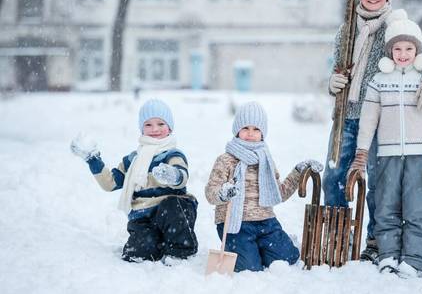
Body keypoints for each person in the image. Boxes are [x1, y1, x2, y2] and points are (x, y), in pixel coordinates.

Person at [323, 0, 422, 263]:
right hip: (347, 118)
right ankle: (339, 237)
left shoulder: (396, 25)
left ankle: (377, 241)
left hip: (381, 119)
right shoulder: (346, 30)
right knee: (334, 177)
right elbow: (339, 67)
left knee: (378, 184)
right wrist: (334, 82)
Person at [348, 16, 422, 278]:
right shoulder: (379, 81)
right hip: (387, 156)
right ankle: (388, 255)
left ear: (418, 51)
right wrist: (361, 154)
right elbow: (368, 121)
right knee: (386, 206)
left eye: (409, 49)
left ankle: (414, 260)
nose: (403, 54)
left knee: (417, 209)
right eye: (397, 48)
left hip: (420, 156)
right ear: (390, 50)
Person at [70, 99, 198, 263]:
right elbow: (110, 183)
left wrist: (173, 175)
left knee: (172, 206)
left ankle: (181, 251)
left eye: (160, 124)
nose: (155, 129)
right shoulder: (133, 160)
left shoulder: (172, 154)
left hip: (171, 213)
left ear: (170, 127)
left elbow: (182, 175)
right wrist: (92, 160)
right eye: (148, 125)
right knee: (137, 253)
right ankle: (156, 242)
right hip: (143, 216)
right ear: (141, 128)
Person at [205, 101, 324, 272]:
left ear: (263, 133)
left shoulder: (266, 160)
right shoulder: (226, 160)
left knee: (288, 258)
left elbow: (279, 193)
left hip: (265, 222)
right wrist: (223, 193)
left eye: (256, 129)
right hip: (235, 225)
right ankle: (250, 250)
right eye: (245, 128)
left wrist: (298, 172)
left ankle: (266, 246)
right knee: (249, 268)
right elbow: (210, 192)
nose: (250, 134)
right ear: (237, 130)